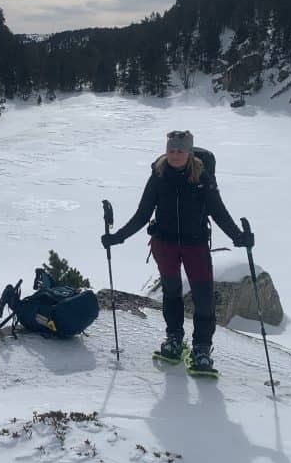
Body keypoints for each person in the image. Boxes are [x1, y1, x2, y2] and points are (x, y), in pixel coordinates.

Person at [100, 129, 253, 373]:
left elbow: (218, 210)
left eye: (179, 150)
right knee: (171, 292)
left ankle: (202, 348)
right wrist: (119, 237)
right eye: (171, 150)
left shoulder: (202, 176)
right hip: (165, 244)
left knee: (203, 298)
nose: (174, 154)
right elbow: (143, 213)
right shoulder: (159, 174)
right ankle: (174, 339)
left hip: (196, 245)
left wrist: (238, 236)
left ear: (189, 152)